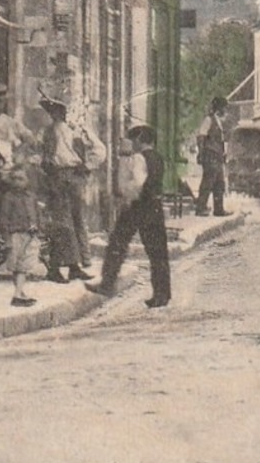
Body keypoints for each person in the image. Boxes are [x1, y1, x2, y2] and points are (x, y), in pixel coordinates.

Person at [87, 124, 171, 308]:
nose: (131, 143)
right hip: (154, 206)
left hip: (138, 205)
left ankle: (107, 283)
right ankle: (162, 294)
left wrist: (125, 195)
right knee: (158, 252)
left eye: (133, 139)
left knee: (117, 242)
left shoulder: (138, 158)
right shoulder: (158, 158)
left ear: (140, 139)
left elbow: (137, 184)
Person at [38, 97, 93, 284]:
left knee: (75, 221)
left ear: (63, 113)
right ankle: (58, 267)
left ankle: (75, 266)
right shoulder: (46, 133)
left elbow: (91, 152)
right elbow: (41, 156)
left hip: (73, 177)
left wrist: (84, 169)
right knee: (63, 224)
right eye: (52, 112)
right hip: (58, 177)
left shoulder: (73, 132)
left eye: (58, 112)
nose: (55, 115)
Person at [0, 164, 42, 308]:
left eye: (21, 179)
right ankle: (18, 294)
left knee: (24, 265)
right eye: (14, 179)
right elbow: (3, 219)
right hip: (15, 234)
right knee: (17, 266)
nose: (17, 182)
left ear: (28, 180)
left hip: (30, 235)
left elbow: (36, 214)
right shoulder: (8, 198)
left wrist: (39, 228)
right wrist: (7, 239)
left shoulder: (31, 197)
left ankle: (19, 293)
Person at [0, 84, 34, 170]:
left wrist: (18, 152)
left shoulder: (9, 121)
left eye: (1, 100)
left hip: (8, 167)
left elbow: (29, 138)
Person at [195, 96, 230, 217]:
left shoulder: (219, 122)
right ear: (219, 108)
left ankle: (219, 209)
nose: (226, 110)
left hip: (218, 156)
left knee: (219, 183)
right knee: (208, 182)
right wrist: (201, 153)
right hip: (210, 155)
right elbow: (201, 137)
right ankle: (200, 208)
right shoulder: (208, 120)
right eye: (224, 108)